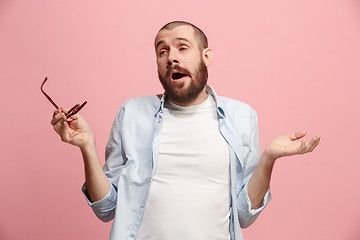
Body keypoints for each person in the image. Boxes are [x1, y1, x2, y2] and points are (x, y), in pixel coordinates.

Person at [51, 21, 320, 240]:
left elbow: (244, 216)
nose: (172, 58)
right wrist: (87, 146)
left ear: (206, 56)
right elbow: (106, 208)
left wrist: (269, 157)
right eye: (162, 51)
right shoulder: (131, 112)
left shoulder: (242, 116)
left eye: (182, 48)